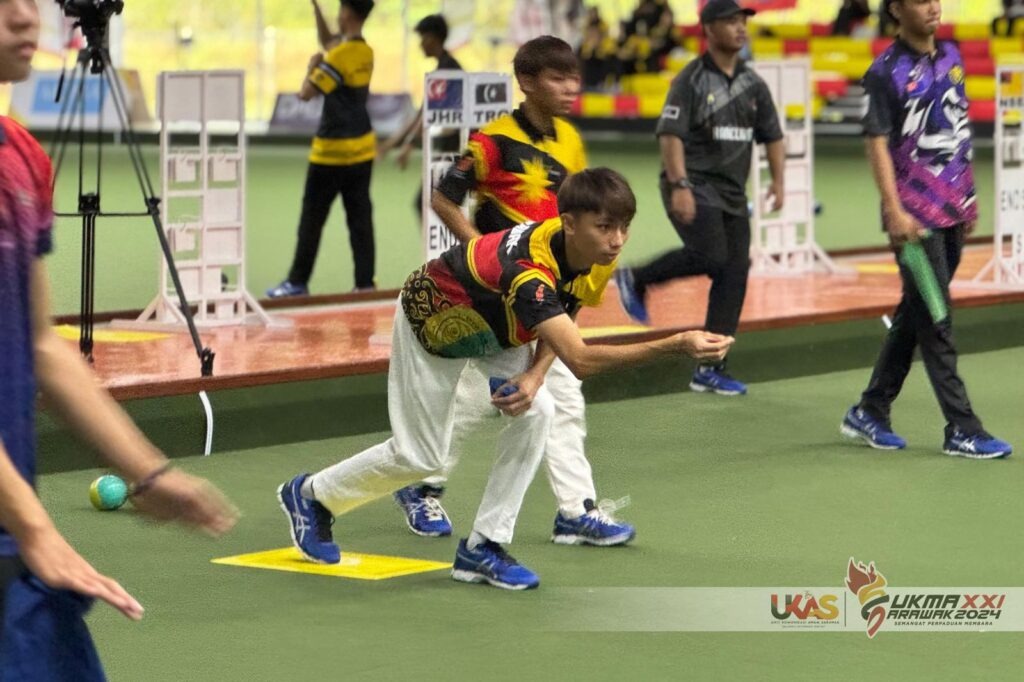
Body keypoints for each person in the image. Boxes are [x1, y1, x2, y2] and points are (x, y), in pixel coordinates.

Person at [277, 168, 734, 590]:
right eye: (605, 227)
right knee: (420, 456)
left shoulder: (591, 253)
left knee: (538, 410)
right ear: (569, 223)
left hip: (499, 327)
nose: (617, 241)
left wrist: (534, 374)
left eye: (623, 227)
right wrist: (676, 345)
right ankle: (313, 494)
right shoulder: (530, 271)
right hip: (434, 319)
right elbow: (580, 358)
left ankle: (483, 546)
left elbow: (566, 311)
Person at [0, 1, 238, 676]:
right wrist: (36, 527)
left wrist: (149, 472)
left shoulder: (21, 159)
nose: (26, 17)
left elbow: (42, 345)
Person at [397, 36, 637, 549]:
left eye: (574, 78)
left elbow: (581, 213)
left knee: (563, 396)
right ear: (526, 82)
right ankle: (420, 485)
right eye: (557, 78)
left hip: (551, 290)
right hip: (498, 297)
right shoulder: (493, 141)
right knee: (476, 399)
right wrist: (482, 253)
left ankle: (576, 510)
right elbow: (443, 198)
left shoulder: (569, 140)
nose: (571, 88)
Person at [839, 0, 1013, 460]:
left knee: (915, 314)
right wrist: (893, 210)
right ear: (896, 9)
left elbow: (957, 130)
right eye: (920, 0)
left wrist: (968, 197)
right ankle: (963, 428)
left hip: (952, 210)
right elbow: (877, 143)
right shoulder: (884, 72)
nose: (933, 6)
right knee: (936, 319)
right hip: (913, 222)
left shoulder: (952, 55)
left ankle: (870, 409)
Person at [613, 0, 785, 397]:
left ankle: (711, 367)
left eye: (743, 21)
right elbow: (670, 135)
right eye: (731, 21)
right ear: (708, 28)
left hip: (732, 193)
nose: (741, 28)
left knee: (734, 272)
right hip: (694, 184)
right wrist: (680, 185)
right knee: (712, 256)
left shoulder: (753, 84)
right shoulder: (690, 80)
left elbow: (773, 136)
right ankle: (636, 277)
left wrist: (778, 181)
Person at [267, 0, 377, 298]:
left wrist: (312, 67)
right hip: (362, 151)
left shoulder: (337, 57)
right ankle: (365, 285)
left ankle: (297, 282)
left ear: (346, 13)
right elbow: (329, 40)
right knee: (360, 220)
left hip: (330, 154)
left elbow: (306, 93)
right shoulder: (365, 52)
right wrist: (316, 7)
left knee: (312, 220)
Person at [377, 14, 463, 219]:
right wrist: (391, 144)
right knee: (432, 204)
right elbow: (422, 114)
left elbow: (426, 117)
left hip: (455, 150)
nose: (420, 44)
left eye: (422, 38)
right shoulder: (444, 68)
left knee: (428, 204)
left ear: (433, 38)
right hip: (449, 149)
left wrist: (409, 144)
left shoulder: (447, 71)